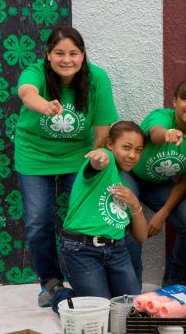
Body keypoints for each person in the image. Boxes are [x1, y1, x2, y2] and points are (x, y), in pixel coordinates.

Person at [15, 26, 118, 307]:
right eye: (59, 53)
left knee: (84, 218)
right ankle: (50, 283)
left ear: (83, 56)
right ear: (48, 55)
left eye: (74, 53)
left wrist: (96, 158)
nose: (67, 59)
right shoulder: (36, 72)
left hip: (78, 155)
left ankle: (85, 277)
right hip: (34, 154)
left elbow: (102, 129)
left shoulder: (97, 79)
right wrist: (43, 105)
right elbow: (26, 92)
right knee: (38, 221)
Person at [127, 79, 186, 286]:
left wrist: (162, 213)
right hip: (131, 175)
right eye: (185, 99)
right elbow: (154, 133)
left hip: (160, 184)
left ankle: (171, 282)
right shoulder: (161, 117)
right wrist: (168, 134)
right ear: (174, 102)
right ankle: (132, 285)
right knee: (127, 222)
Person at [58, 121, 147, 300]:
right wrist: (99, 158)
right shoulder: (106, 164)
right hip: (82, 250)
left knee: (129, 310)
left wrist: (135, 205)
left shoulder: (124, 184)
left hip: (117, 251)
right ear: (110, 145)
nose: (132, 155)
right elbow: (97, 163)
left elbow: (141, 236)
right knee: (101, 316)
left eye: (138, 150)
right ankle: (59, 295)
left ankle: (87, 295)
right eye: (126, 147)